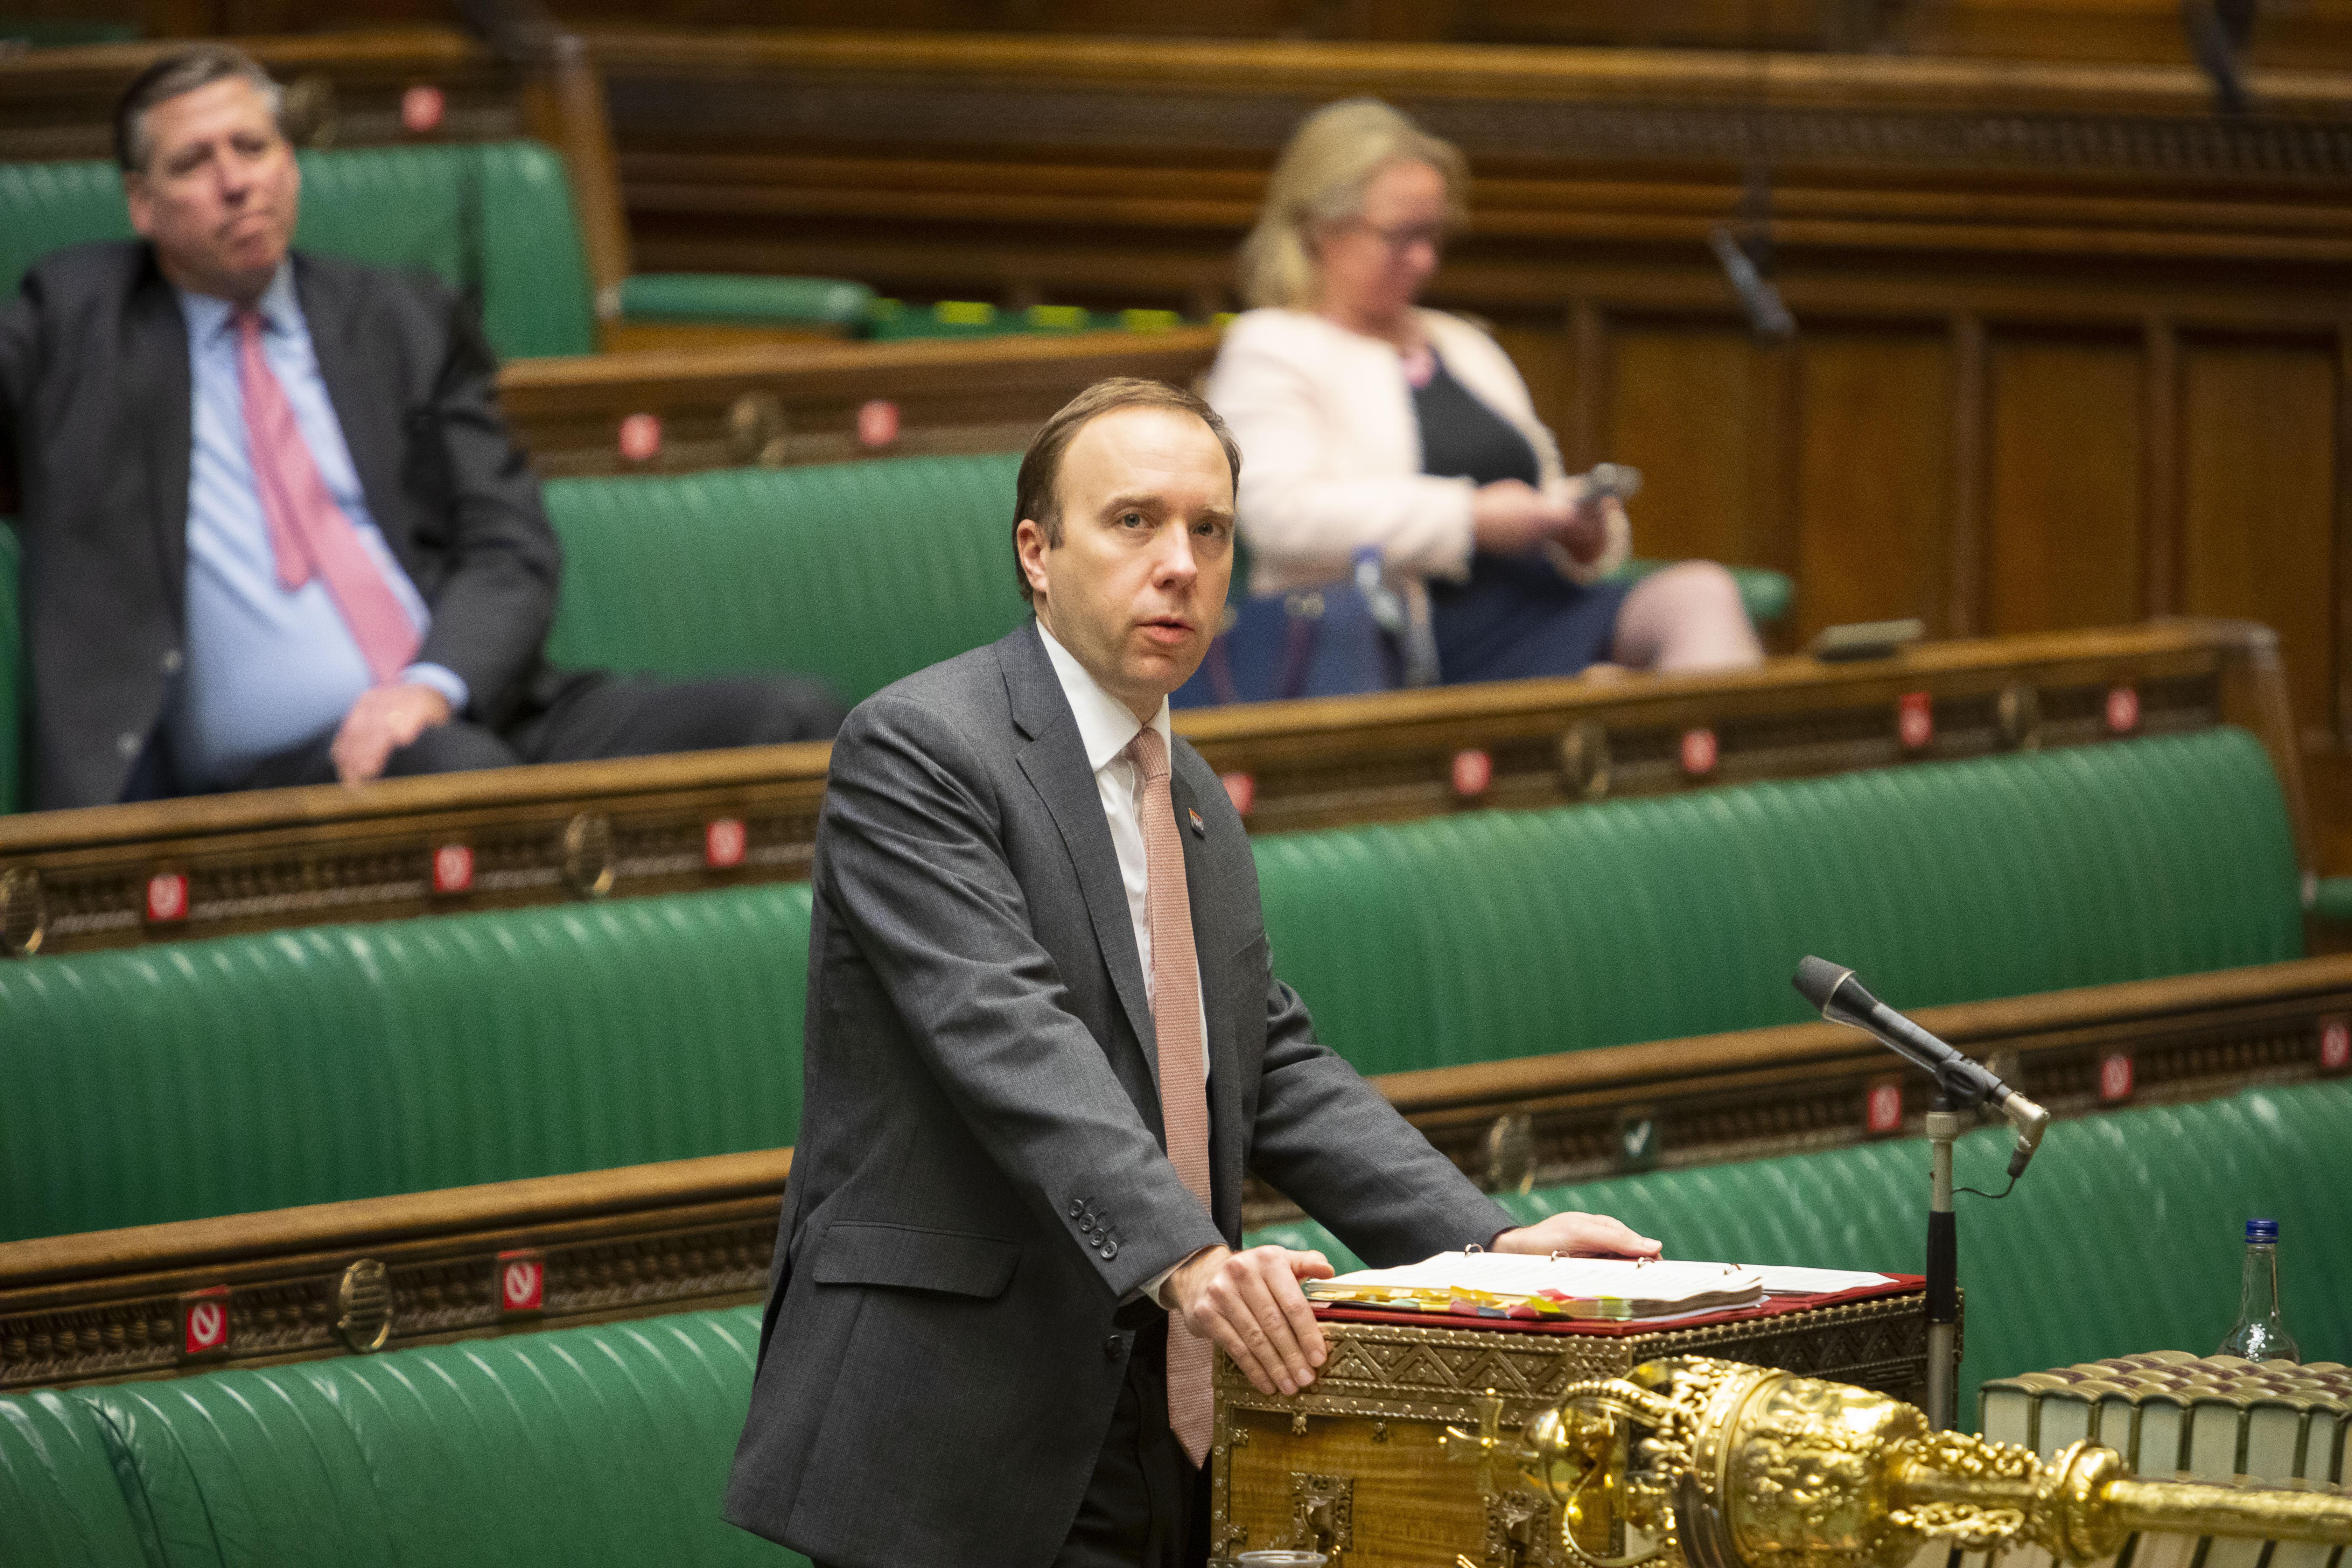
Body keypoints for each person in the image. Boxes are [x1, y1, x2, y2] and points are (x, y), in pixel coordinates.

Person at [723, 377, 1660, 1568]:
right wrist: (1192, 1259)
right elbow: (1005, 1032)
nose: (1180, 562)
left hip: (1157, 1409)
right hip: (954, 1422)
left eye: (1209, 531)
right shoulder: (921, 749)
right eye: (1134, 522)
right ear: (1037, 552)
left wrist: (1479, 1252)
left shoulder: (1193, 791)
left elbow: (1264, 1055)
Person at [0, 46, 843, 811]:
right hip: (276, 780)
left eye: (253, 148)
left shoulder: (399, 317)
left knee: (801, 719)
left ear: (289, 162)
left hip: (475, 707)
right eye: (194, 162)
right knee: (453, 770)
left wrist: (433, 685)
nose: (235, 181)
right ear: (142, 205)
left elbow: (508, 544)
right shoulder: (77, 319)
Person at [1205, 98, 1765, 684]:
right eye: (1401, 236)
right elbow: (1280, 517)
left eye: (1435, 234)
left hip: (1539, 604)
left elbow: (1538, 478)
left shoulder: (1460, 340)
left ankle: (1746, 778)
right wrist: (1468, 519)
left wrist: (1575, 528)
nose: (1424, 260)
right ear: (1319, 229)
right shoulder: (1271, 345)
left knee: (1704, 594)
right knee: (1611, 693)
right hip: (1405, 639)